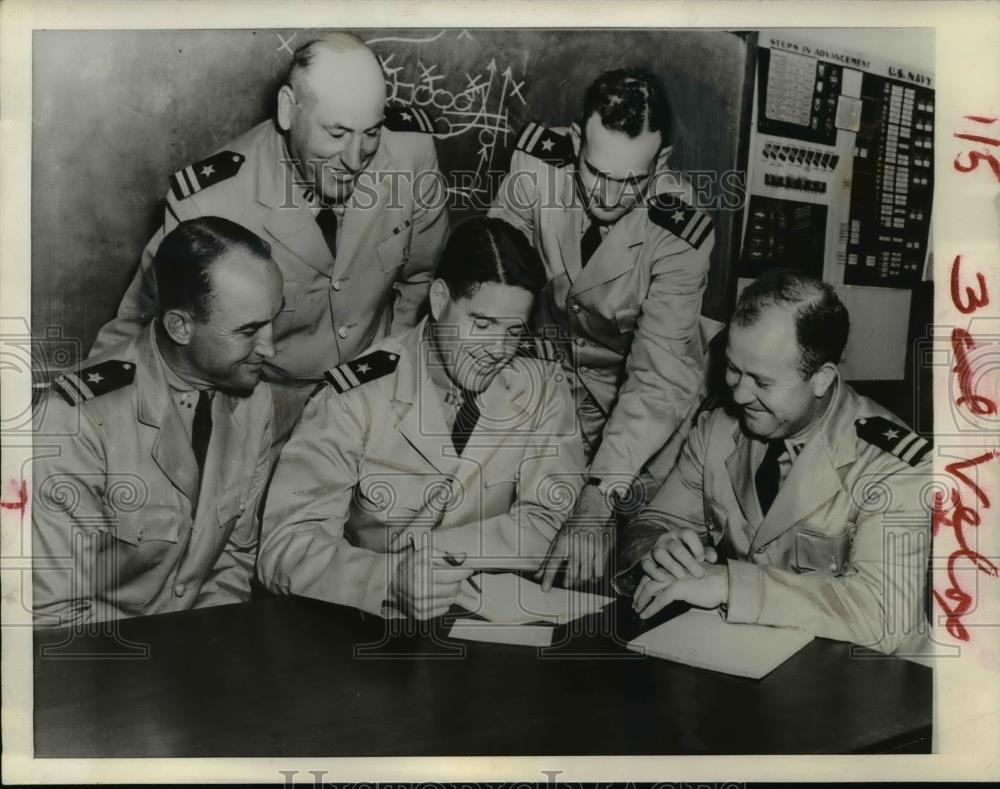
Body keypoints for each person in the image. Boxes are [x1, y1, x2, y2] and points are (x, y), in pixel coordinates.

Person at [91, 33, 449, 437]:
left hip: (376, 393)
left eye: (370, 133)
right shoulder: (211, 203)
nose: (355, 160)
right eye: (336, 134)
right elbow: (141, 326)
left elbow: (422, 279)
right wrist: (91, 421)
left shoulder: (411, 157)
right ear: (287, 109)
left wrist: (385, 371)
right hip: (260, 410)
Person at [257, 218, 585, 619]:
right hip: (370, 624)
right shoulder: (356, 395)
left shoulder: (541, 384)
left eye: (514, 331)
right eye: (481, 324)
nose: (498, 349)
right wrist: (390, 577)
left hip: (494, 624)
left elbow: (552, 516)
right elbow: (284, 547)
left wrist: (435, 557)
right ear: (439, 297)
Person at [616, 270, 932, 654]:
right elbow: (653, 522)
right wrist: (659, 548)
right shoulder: (718, 428)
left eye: (762, 382)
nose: (740, 393)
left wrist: (733, 583)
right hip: (753, 661)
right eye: (733, 369)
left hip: (869, 682)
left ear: (821, 379)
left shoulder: (893, 464)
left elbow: (884, 617)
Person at [489, 67, 716, 589]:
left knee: (613, 560)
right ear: (575, 143)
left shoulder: (681, 232)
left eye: (631, 181)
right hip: (545, 377)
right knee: (518, 539)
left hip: (636, 410)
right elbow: (496, 281)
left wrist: (598, 495)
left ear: (660, 162)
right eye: (595, 173)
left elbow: (658, 378)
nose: (609, 197)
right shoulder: (536, 166)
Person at [33, 217, 284, 625]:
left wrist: (205, 650)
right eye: (250, 330)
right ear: (180, 326)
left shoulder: (253, 400)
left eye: (275, 319)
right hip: (103, 658)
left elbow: (232, 561)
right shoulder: (74, 419)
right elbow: (50, 615)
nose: (270, 349)